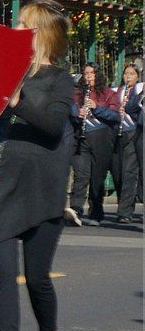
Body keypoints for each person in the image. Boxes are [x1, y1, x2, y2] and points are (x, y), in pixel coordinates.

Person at [0, 0, 73, 331]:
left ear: (42, 34)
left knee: (36, 279)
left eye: (24, 24)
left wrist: (18, 101)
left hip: (43, 188)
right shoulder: (6, 72)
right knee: (5, 272)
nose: (16, 29)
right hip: (1, 181)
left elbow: (52, 125)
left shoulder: (60, 79)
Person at [67, 62, 118, 225]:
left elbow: (115, 116)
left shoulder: (108, 93)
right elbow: (70, 110)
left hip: (101, 137)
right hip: (81, 138)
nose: (88, 76)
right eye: (86, 73)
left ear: (98, 75)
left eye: (91, 73)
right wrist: (77, 113)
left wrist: (97, 108)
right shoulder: (77, 94)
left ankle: (96, 212)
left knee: (97, 176)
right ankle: (76, 209)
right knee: (81, 175)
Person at [111, 62, 141, 223]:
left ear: (137, 77)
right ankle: (126, 203)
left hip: (133, 133)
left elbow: (135, 108)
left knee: (129, 172)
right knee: (118, 172)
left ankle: (125, 212)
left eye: (131, 74)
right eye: (126, 74)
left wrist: (127, 105)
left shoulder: (139, 91)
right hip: (118, 134)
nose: (128, 77)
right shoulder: (118, 91)